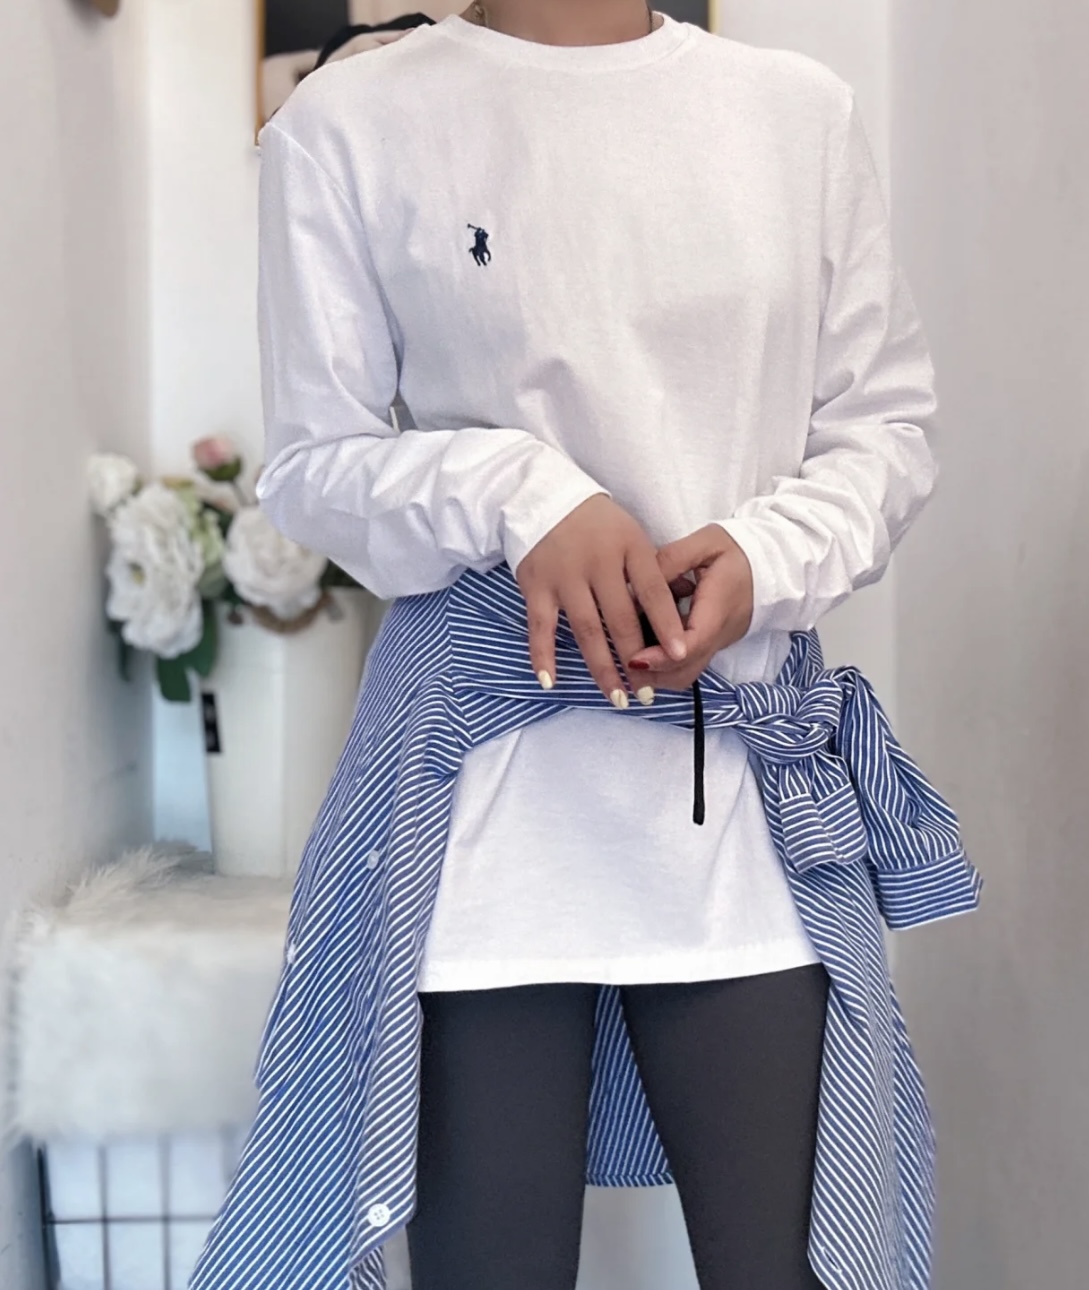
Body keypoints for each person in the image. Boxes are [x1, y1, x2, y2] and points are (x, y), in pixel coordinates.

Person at [190, 4, 982, 1289]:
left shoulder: (797, 113)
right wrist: (520, 492)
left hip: (740, 795)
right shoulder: (348, 122)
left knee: (802, 1261)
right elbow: (317, 465)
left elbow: (885, 429)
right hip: (479, 815)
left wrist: (763, 555)